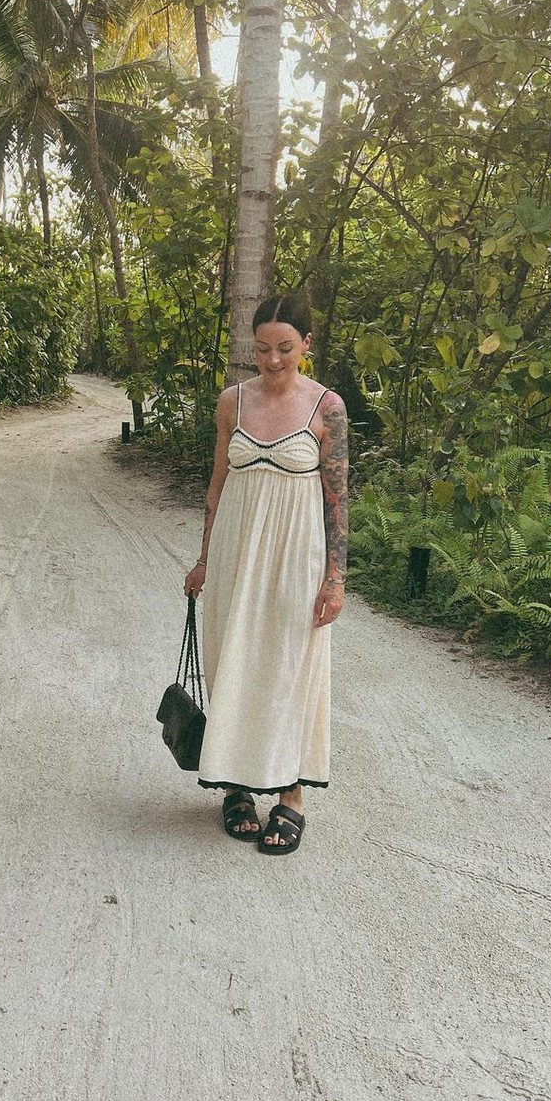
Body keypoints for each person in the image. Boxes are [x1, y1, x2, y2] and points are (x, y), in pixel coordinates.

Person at [183, 293, 348, 855]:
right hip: (234, 553)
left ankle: (291, 795)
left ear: (306, 345)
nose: (273, 360)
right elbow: (216, 483)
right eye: (261, 349)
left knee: (289, 668)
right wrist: (204, 558)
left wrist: (336, 577)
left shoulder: (327, 408)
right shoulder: (232, 402)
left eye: (285, 348)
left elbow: (337, 498)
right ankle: (235, 787)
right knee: (233, 659)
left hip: (296, 558)